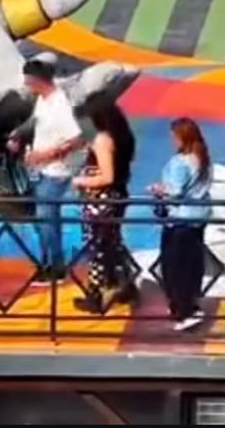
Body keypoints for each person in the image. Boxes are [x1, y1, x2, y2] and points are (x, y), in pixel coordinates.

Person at [8, 58, 83, 284]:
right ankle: (48, 262)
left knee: (47, 219)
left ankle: (55, 267)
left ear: (37, 80)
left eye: (27, 81)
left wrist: (47, 155)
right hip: (41, 170)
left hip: (56, 171)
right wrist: (19, 133)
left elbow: (76, 139)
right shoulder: (42, 100)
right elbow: (36, 120)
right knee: (43, 220)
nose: (26, 85)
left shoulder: (60, 105)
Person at [72, 104, 136, 314]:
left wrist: (80, 181)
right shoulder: (120, 138)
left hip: (102, 200)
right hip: (115, 197)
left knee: (97, 246)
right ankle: (126, 286)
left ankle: (96, 295)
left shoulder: (102, 140)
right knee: (112, 243)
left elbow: (107, 176)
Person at [150, 117, 212, 331]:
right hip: (198, 218)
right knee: (191, 265)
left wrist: (158, 189)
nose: (171, 140)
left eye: (174, 136)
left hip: (179, 220)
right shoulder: (203, 158)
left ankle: (183, 311)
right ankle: (191, 304)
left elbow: (175, 191)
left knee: (174, 268)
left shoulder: (180, 162)